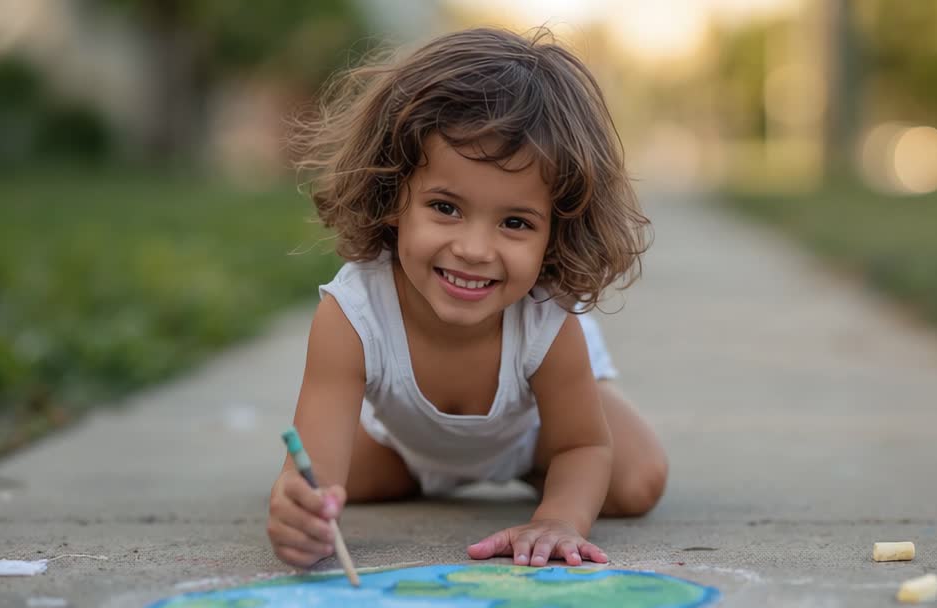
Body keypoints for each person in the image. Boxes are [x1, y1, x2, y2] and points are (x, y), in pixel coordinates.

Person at [268, 26, 666, 571]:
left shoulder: (546, 321)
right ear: (392, 194)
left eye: (515, 222)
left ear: (558, 232)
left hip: (537, 438)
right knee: (334, 489)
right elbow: (312, 471)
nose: (475, 249)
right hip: (405, 448)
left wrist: (558, 519)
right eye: (446, 208)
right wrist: (303, 511)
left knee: (636, 483)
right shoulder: (353, 314)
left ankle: (564, 428)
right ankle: (441, 468)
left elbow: (581, 448)